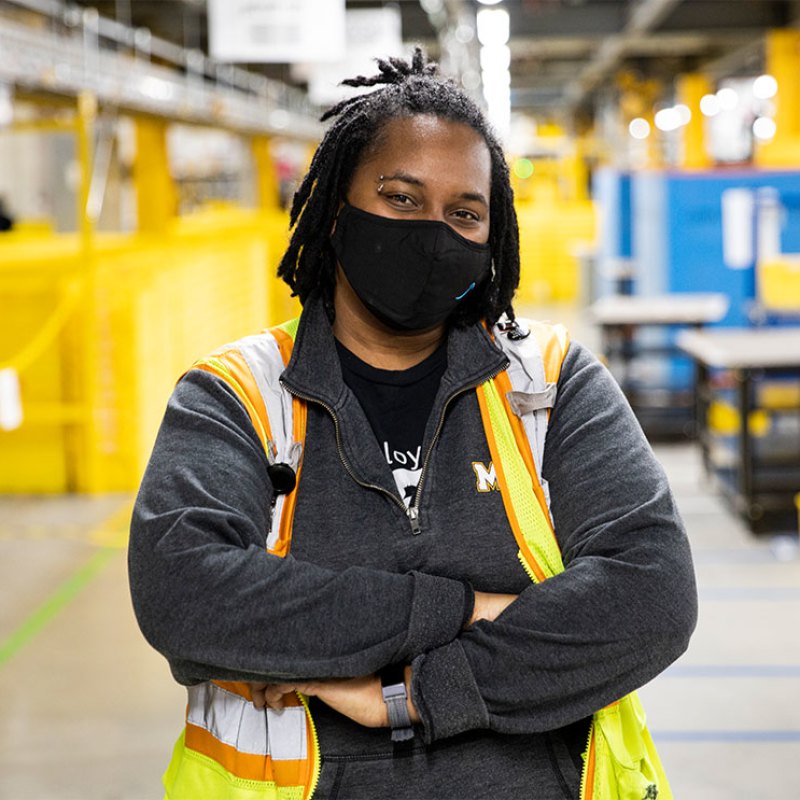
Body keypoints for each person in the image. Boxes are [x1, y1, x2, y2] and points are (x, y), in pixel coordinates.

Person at [129, 50, 697, 800]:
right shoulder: (238, 395)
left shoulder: (551, 384)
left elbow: (652, 596)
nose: (433, 232)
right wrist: (467, 607)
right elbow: (185, 595)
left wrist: (409, 693)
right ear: (337, 212)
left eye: (465, 213)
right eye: (401, 198)